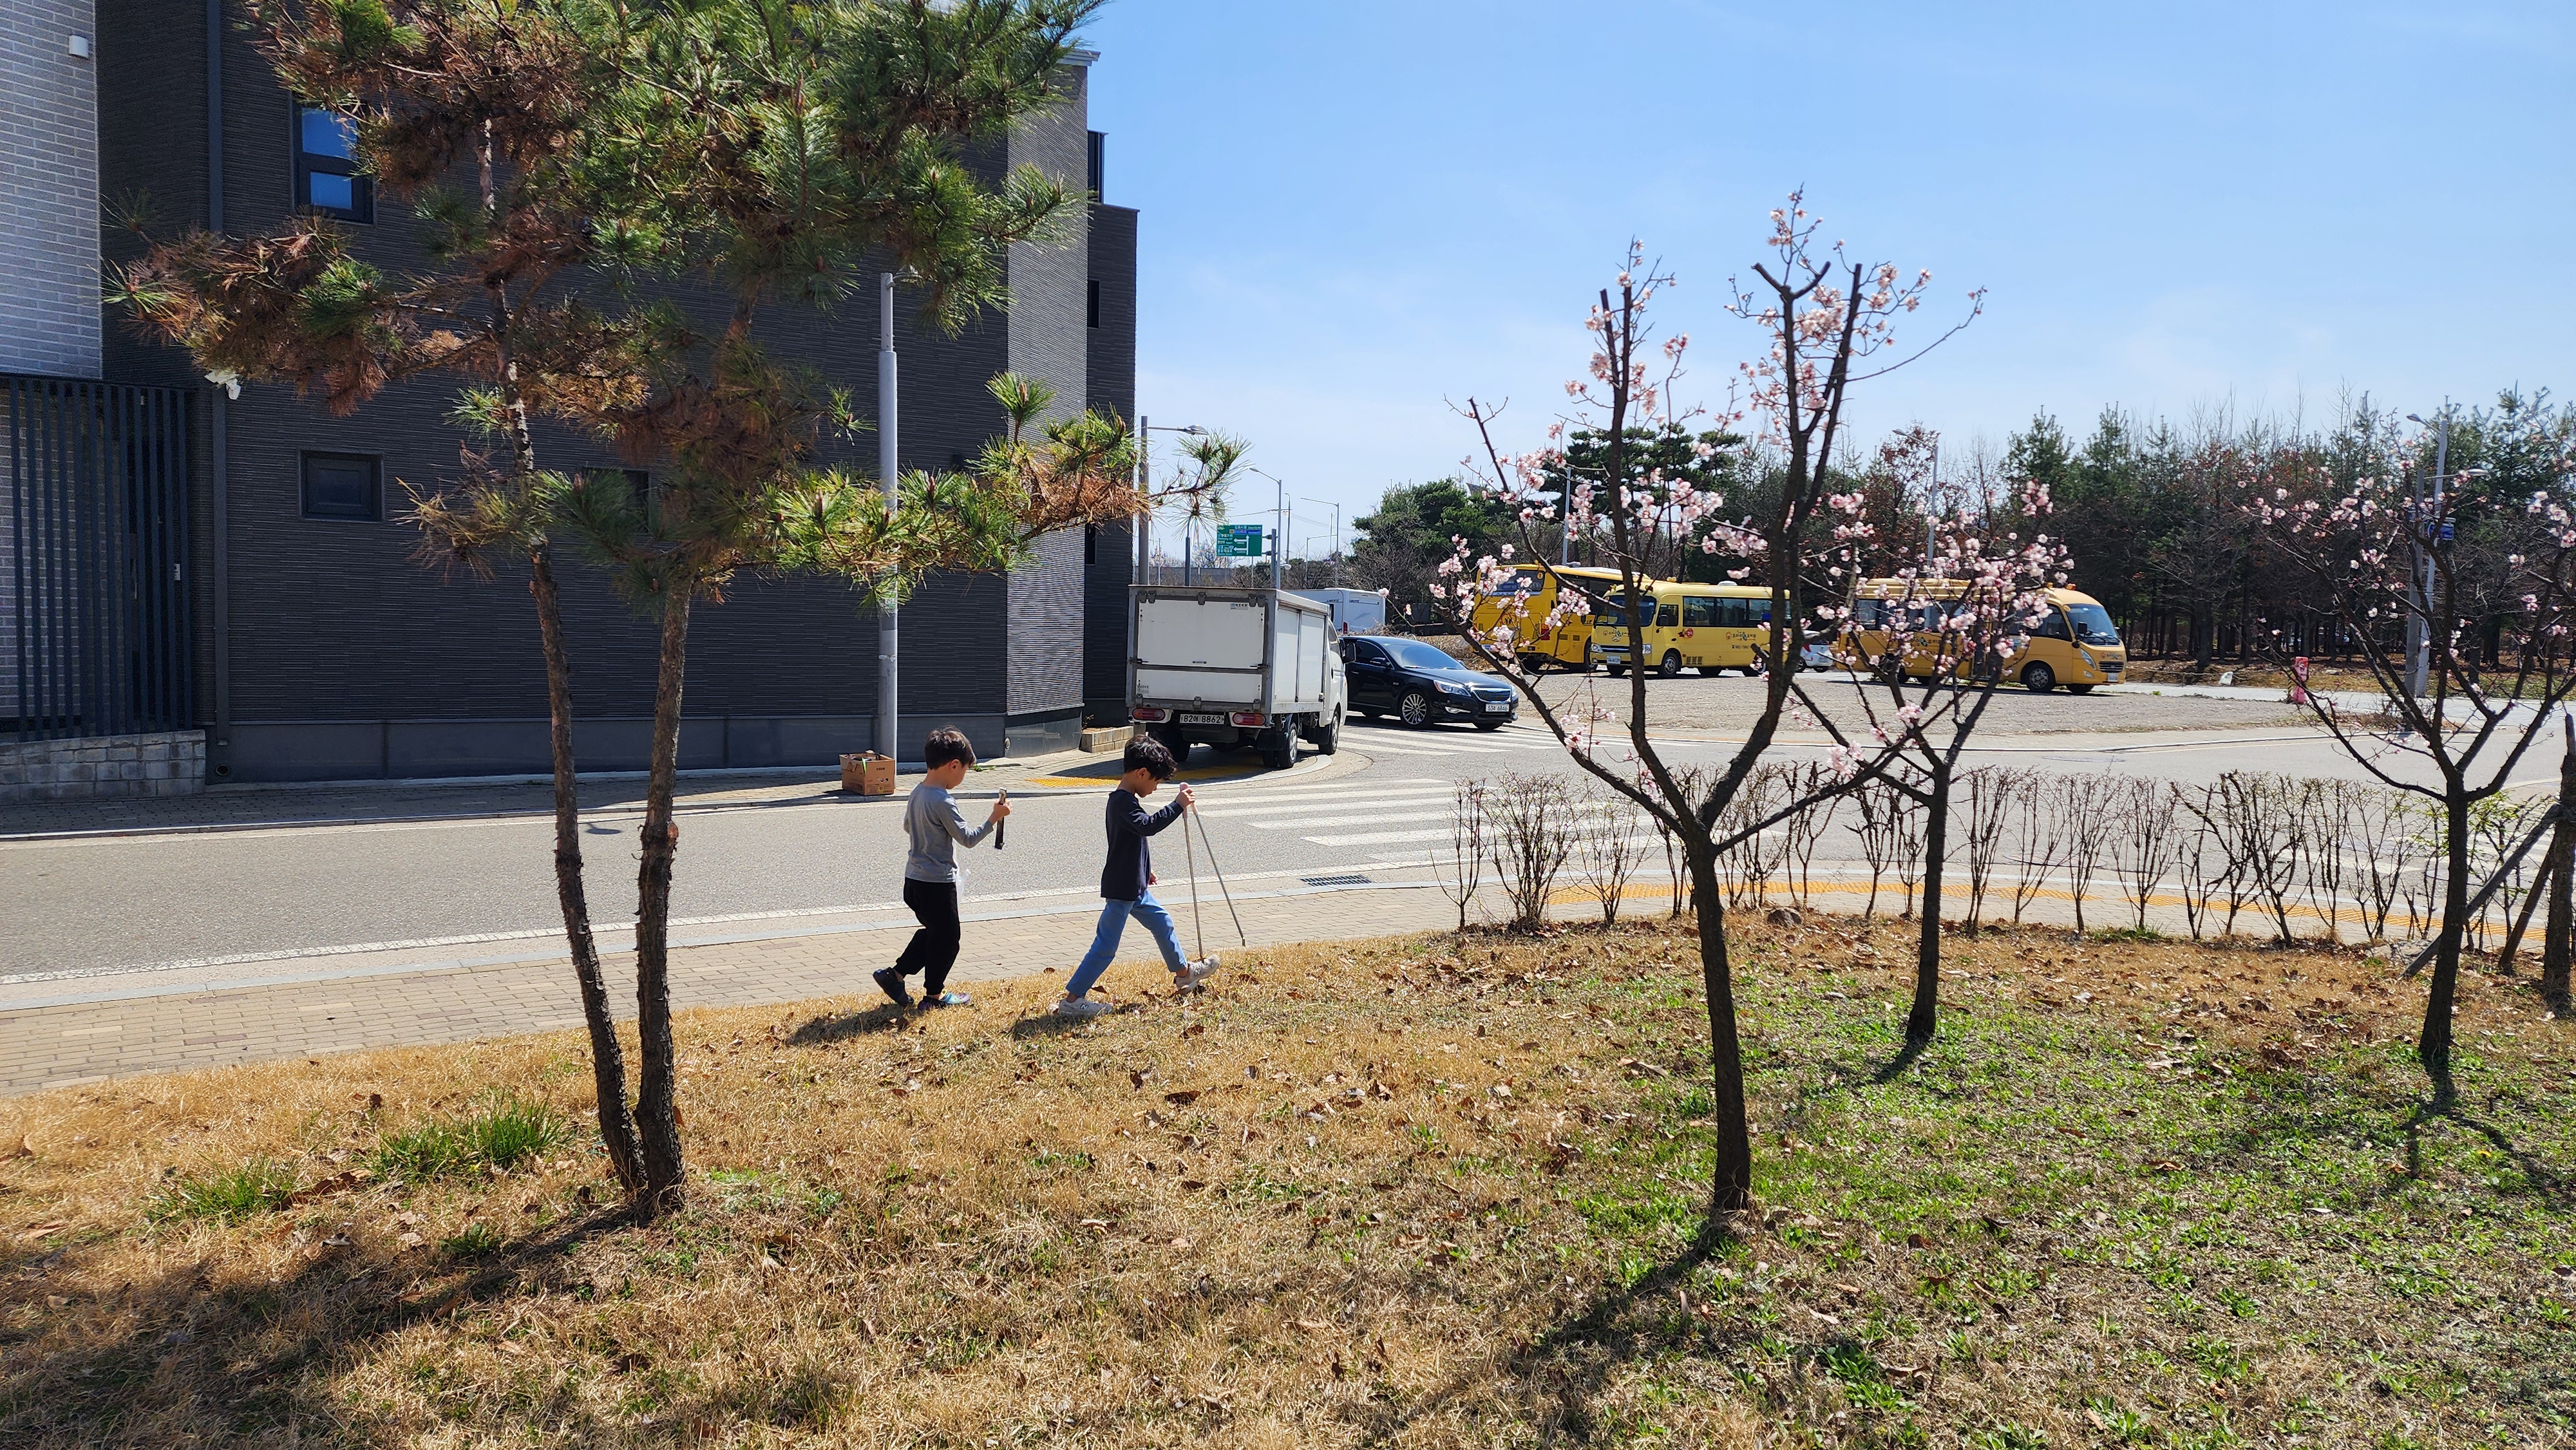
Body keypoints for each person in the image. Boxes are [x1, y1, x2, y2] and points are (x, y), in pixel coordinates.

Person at [1052, 736, 1215, 1019]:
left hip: (1135, 886)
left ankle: (1184, 973)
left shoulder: (1126, 801)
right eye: (1155, 781)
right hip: (1123, 889)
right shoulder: (1121, 803)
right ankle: (1073, 999)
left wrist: (1145, 869)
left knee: (1162, 921)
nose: (1155, 787)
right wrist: (1176, 805)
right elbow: (1147, 827)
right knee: (1105, 947)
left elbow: (1134, 840)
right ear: (1141, 774)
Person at [876, 727, 1009, 1011]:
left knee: (935, 933)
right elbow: (968, 839)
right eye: (964, 772)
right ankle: (934, 997)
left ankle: (895, 976)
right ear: (954, 765)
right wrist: (994, 818)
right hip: (937, 883)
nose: (962, 778)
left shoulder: (917, 792)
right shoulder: (943, 800)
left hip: (913, 881)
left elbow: (907, 827)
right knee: (949, 941)